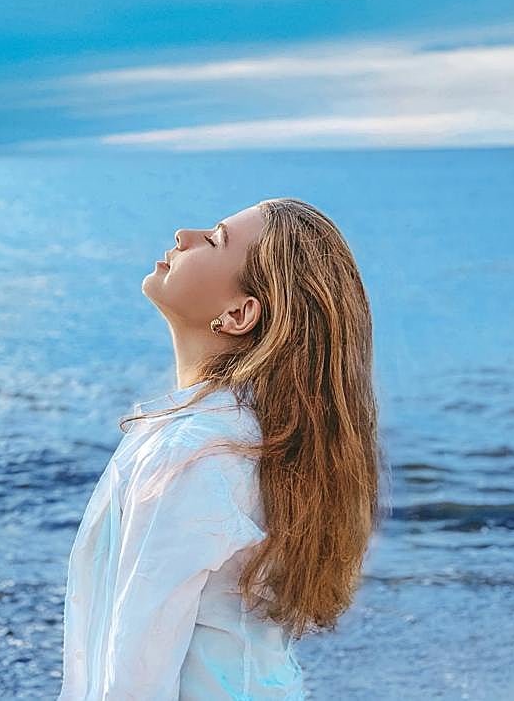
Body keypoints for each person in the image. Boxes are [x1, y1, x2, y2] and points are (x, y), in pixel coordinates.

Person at [57, 197, 386, 700]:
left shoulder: (195, 455)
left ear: (238, 313)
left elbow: (137, 670)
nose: (183, 235)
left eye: (213, 240)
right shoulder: (256, 440)